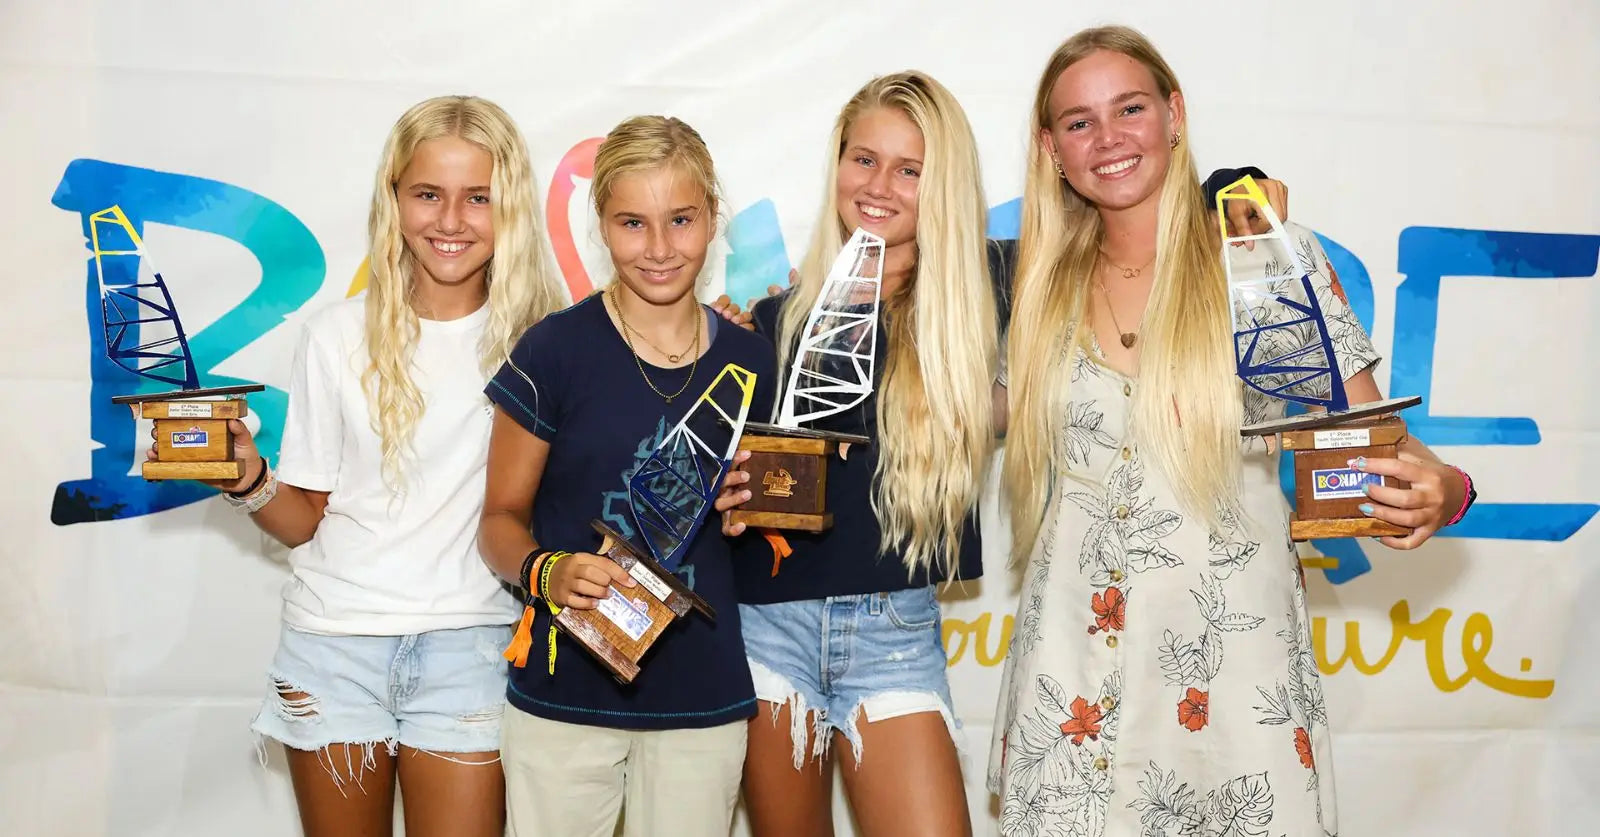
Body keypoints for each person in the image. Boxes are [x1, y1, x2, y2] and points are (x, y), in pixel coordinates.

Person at [722, 71, 1292, 837]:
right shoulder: (770, 320)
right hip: (767, 626)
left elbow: (1134, 229)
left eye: (910, 168)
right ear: (838, 163)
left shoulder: (999, 281)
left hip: (894, 631)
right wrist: (728, 493)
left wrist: (1230, 189)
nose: (879, 186)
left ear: (944, 182)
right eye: (864, 159)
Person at [988, 25, 1476, 836]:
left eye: (1130, 108)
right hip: (1070, 691)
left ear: (1174, 115)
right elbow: (956, 423)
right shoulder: (1037, 285)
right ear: (1051, 148)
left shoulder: (1259, 257)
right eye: (1079, 121)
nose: (1108, 138)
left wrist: (1447, 491)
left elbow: (1377, 441)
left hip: (1231, 696)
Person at [185, 95, 566, 837]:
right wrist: (244, 475)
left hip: (475, 646)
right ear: (394, 199)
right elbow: (303, 521)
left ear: (512, 206)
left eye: (478, 197)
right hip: (331, 648)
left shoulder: (547, 343)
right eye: (427, 194)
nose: (450, 220)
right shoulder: (335, 336)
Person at [477, 114, 778, 837]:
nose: (660, 248)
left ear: (712, 217)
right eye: (633, 223)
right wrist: (547, 570)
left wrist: (750, 515)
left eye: (681, 219)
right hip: (564, 694)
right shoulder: (554, 350)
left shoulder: (753, 359)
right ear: (601, 225)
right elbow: (498, 521)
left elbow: (769, 532)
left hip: (702, 696)